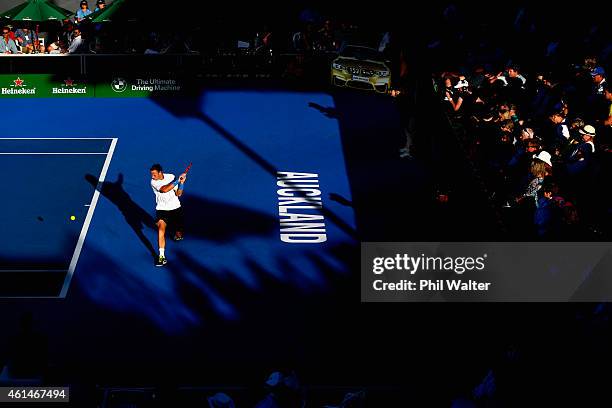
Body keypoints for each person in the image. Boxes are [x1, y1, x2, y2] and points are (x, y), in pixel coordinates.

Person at [150, 164, 187, 267]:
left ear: (160, 172)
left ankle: (177, 234)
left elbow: (178, 194)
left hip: (175, 208)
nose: (152, 177)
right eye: (151, 174)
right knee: (161, 229)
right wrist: (177, 181)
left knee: (179, 234)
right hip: (162, 209)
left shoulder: (171, 177)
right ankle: (161, 257)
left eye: (154, 174)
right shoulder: (153, 182)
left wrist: (182, 183)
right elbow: (164, 189)